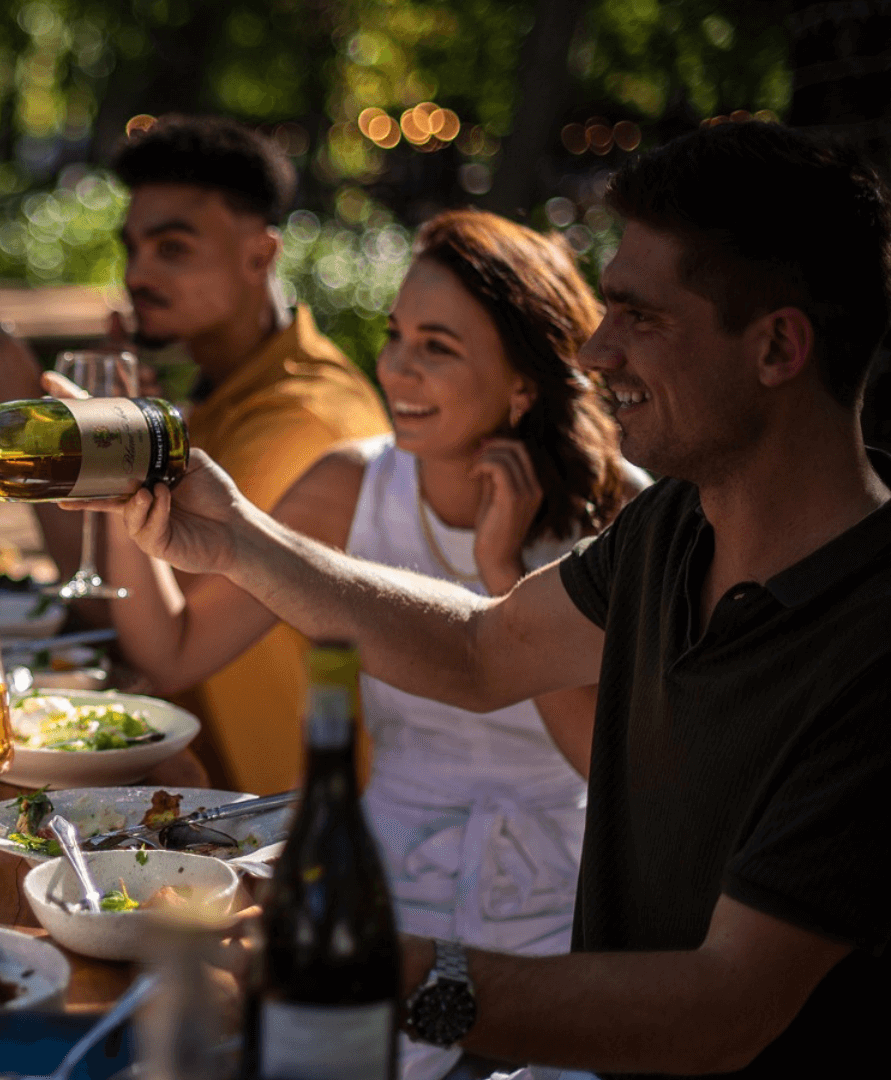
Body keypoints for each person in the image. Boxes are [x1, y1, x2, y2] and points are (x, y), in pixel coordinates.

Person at [92, 121, 891, 1077]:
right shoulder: (674, 527)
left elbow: (720, 1009)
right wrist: (240, 544)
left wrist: (392, 976)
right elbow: (478, 652)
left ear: (777, 348)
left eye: (641, 316)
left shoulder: (871, 641)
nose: (596, 351)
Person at [90, 209, 635, 1079]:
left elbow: (614, 775)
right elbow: (177, 650)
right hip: (383, 891)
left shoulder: (625, 512)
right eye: (394, 335)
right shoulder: (351, 484)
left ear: (523, 385)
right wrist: (124, 495)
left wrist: (503, 576)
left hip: (557, 912)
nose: (397, 368)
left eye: (438, 346)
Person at [0, 114, 390, 795]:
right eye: (132, 248)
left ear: (261, 256)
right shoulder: (223, 393)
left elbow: (145, 627)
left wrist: (50, 447)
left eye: (173, 249)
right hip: (186, 784)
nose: (137, 274)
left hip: (278, 823)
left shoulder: (300, 418)